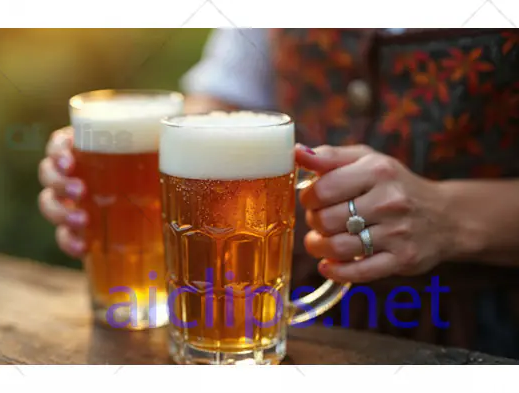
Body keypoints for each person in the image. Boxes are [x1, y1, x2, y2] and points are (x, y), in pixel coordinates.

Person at [39, 28, 519, 359]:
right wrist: (120, 160)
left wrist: (450, 216)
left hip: (493, 335)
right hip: (293, 320)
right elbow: (221, 104)